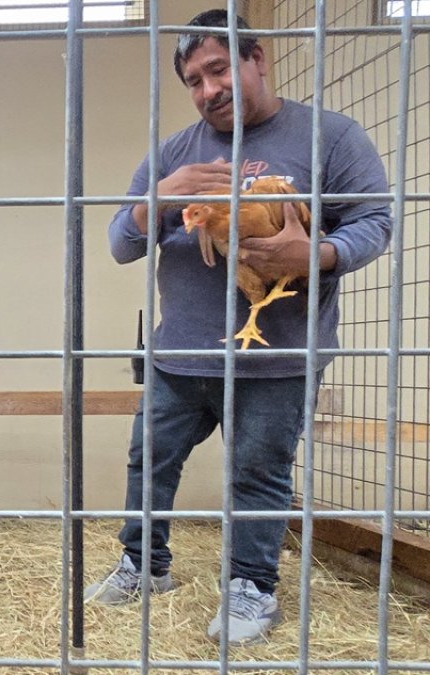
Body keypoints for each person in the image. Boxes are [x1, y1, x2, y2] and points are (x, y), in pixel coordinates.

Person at [91, 8, 392, 646]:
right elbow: (120, 242)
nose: (209, 90)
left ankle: (251, 587)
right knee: (149, 462)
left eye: (219, 69)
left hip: (278, 358)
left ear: (258, 58)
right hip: (180, 354)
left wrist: (319, 253)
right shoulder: (174, 155)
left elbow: (374, 221)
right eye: (194, 81)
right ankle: (144, 565)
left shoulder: (331, 138)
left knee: (259, 475)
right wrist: (161, 197)